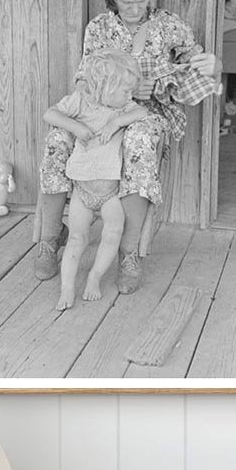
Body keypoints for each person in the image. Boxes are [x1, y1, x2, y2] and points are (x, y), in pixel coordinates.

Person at [35, 0, 221, 294]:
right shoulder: (100, 28)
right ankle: (49, 239)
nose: (135, 9)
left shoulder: (169, 26)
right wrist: (113, 96)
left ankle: (128, 253)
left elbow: (194, 63)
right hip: (100, 109)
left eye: (142, 0)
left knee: (137, 142)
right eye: (127, 2)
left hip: (147, 112)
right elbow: (83, 81)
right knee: (58, 138)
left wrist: (208, 64)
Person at [42, 50, 148, 310]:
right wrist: (75, 127)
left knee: (112, 233)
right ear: (105, 87)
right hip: (82, 192)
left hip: (110, 194)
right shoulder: (80, 102)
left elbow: (142, 112)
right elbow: (50, 114)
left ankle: (95, 277)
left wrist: (118, 123)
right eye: (124, 91)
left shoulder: (123, 107)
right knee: (78, 239)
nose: (129, 96)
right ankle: (67, 288)